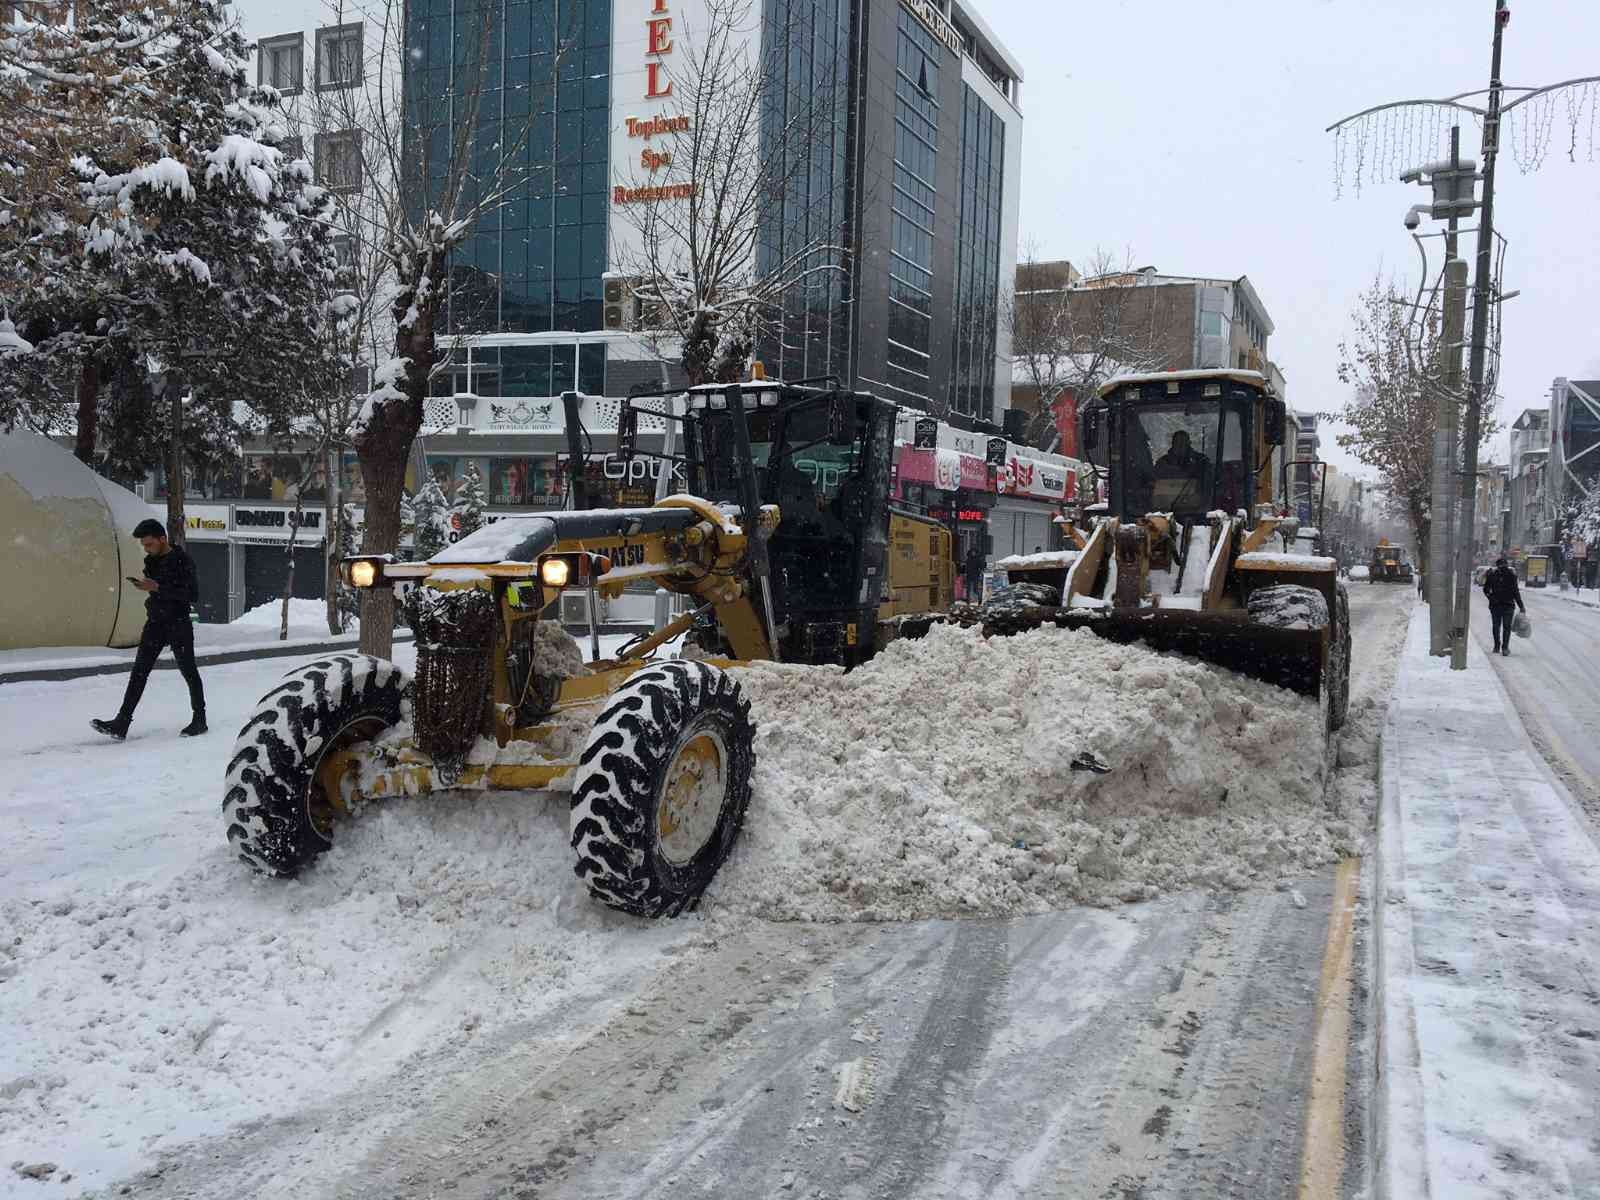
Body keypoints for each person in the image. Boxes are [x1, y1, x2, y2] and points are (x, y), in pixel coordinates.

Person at [92, 519, 207, 739]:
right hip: (155, 621)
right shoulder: (151, 561)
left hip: (178, 622)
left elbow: (193, 595)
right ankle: (121, 723)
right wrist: (149, 588)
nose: (146, 549)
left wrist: (157, 587)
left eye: (149, 544)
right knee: (139, 672)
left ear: (162, 539)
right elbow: (159, 590)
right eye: (144, 545)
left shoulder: (182, 560)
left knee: (188, 671)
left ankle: (200, 719)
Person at [1481, 555, 1526, 657]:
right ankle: (1505, 648)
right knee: (1507, 627)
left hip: (1495, 605)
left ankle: (1497, 646)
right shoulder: (1512, 576)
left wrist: (1491, 598)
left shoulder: (1492, 575)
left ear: (1497, 566)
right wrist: (1521, 606)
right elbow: (1516, 592)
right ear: (1507, 565)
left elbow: (1486, 590)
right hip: (1508, 605)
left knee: (1496, 626)